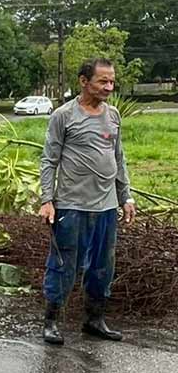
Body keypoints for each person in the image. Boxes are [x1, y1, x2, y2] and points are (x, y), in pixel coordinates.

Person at [39, 58, 134, 345]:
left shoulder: (113, 115)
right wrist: (47, 199)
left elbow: (118, 159)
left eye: (111, 81)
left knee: (103, 266)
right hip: (71, 206)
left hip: (106, 207)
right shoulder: (64, 116)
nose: (109, 87)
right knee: (64, 263)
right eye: (102, 81)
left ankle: (94, 319)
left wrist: (125, 196)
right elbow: (49, 159)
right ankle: (52, 321)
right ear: (83, 81)